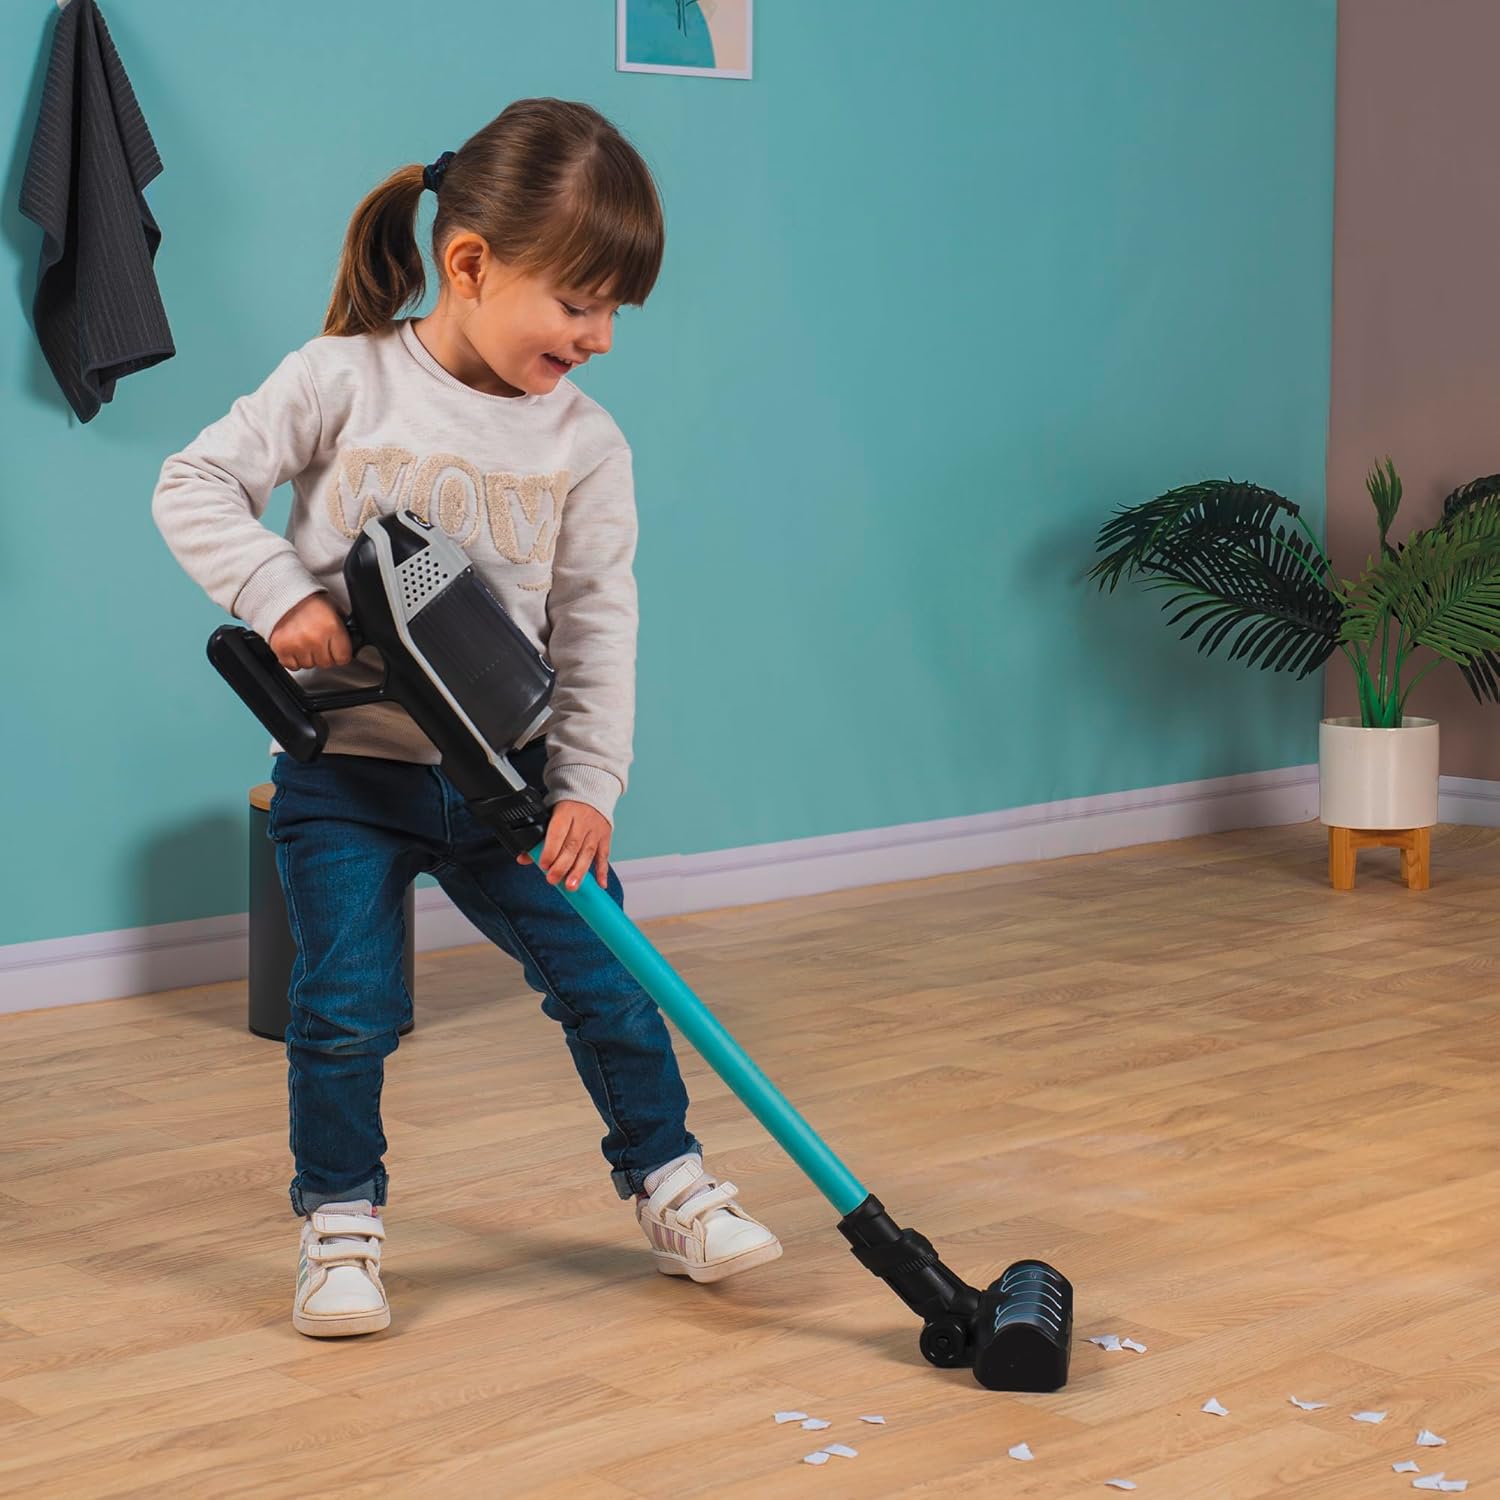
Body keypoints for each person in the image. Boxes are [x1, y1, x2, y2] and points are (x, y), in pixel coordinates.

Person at [152, 97, 781, 1338]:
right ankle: (340, 1223)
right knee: (345, 1008)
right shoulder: (343, 379)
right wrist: (280, 593)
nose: (599, 337)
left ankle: (671, 1184)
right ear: (472, 265)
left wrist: (590, 783)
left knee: (608, 982)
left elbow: (600, 618)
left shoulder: (586, 445)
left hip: (515, 782)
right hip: (349, 775)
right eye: (578, 304)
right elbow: (195, 481)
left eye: (615, 312)